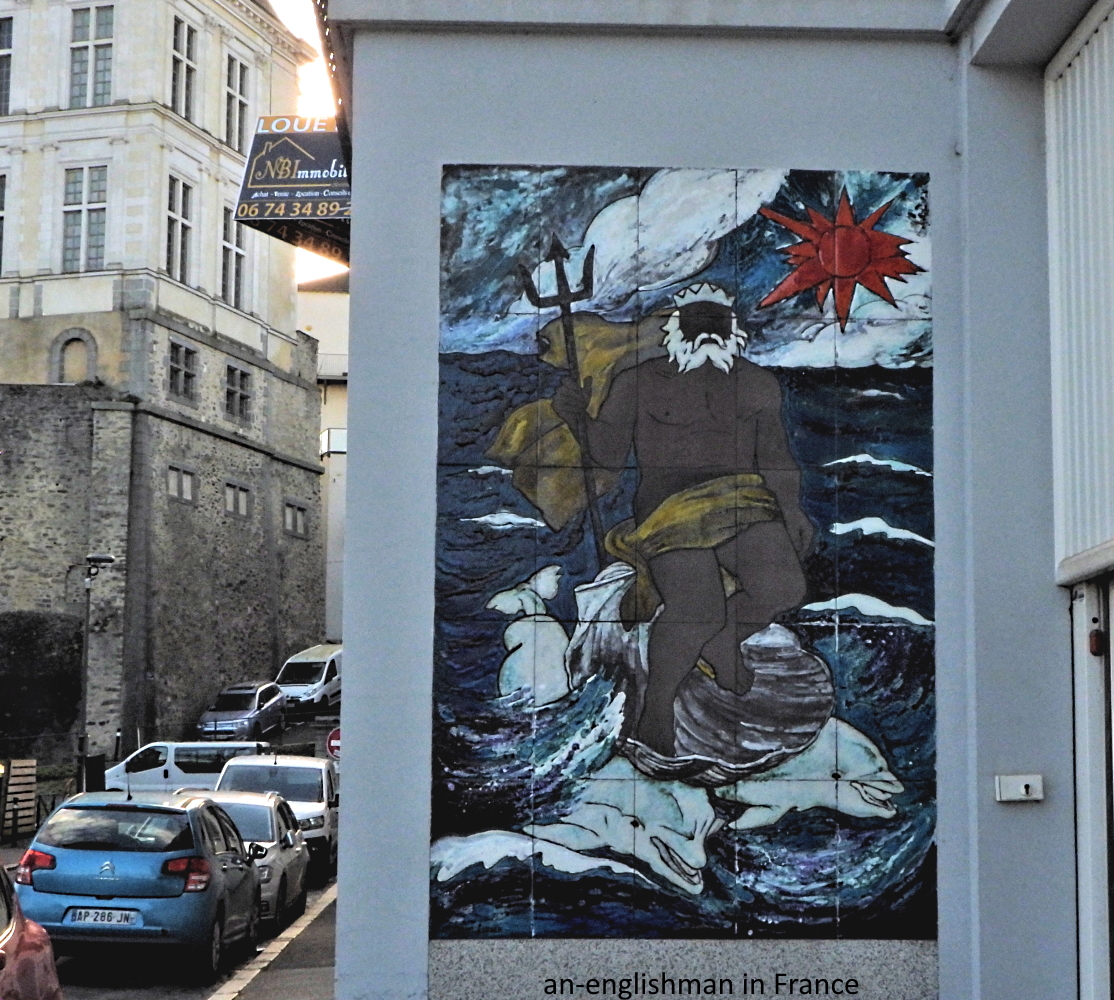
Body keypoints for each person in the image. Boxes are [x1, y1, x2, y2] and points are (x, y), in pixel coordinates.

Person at [552, 284, 813, 757]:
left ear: (733, 331)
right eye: (698, 323)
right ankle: (657, 708)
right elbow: (607, 455)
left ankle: (725, 641)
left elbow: (776, 457)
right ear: (675, 328)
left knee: (784, 587)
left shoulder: (757, 384)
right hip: (668, 510)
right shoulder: (638, 381)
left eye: (718, 324)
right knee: (698, 608)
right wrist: (577, 417)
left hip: (743, 500)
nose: (708, 333)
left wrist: (791, 508)